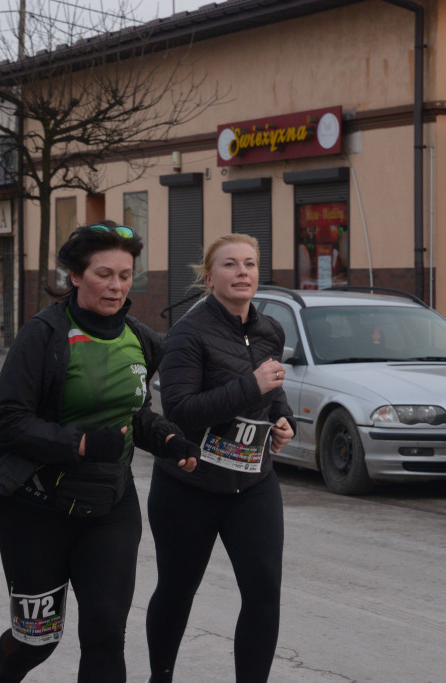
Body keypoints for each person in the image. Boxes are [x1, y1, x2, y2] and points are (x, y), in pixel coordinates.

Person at [0, 222, 199, 683]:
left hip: (110, 504)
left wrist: (168, 439)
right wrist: (78, 443)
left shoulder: (140, 339)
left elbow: (134, 413)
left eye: (125, 275)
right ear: (76, 276)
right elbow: (5, 419)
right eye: (104, 274)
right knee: (37, 638)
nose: (116, 286)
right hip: (36, 507)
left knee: (104, 632)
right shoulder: (44, 335)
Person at [146, 233, 295, 683]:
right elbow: (180, 410)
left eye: (250, 264)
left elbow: (273, 390)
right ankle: (161, 678)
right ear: (210, 277)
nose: (243, 273)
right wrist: (251, 386)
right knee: (177, 590)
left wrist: (284, 420)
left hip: (252, 483)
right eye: (230, 265)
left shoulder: (269, 330)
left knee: (264, 592)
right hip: (189, 484)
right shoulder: (188, 333)